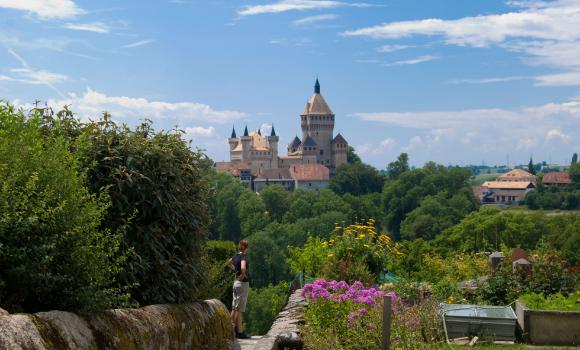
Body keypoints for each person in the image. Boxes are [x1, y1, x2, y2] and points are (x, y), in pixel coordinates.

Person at [229, 240, 250, 339]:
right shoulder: (243, 257)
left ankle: (240, 332)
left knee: (235, 307)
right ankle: (230, 330)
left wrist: (235, 271)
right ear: (246, 248)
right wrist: (242, 274)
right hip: (242, 284)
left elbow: (228, 263)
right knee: (237, 309)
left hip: (235, 283)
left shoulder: (235, 256)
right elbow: (243, 268)